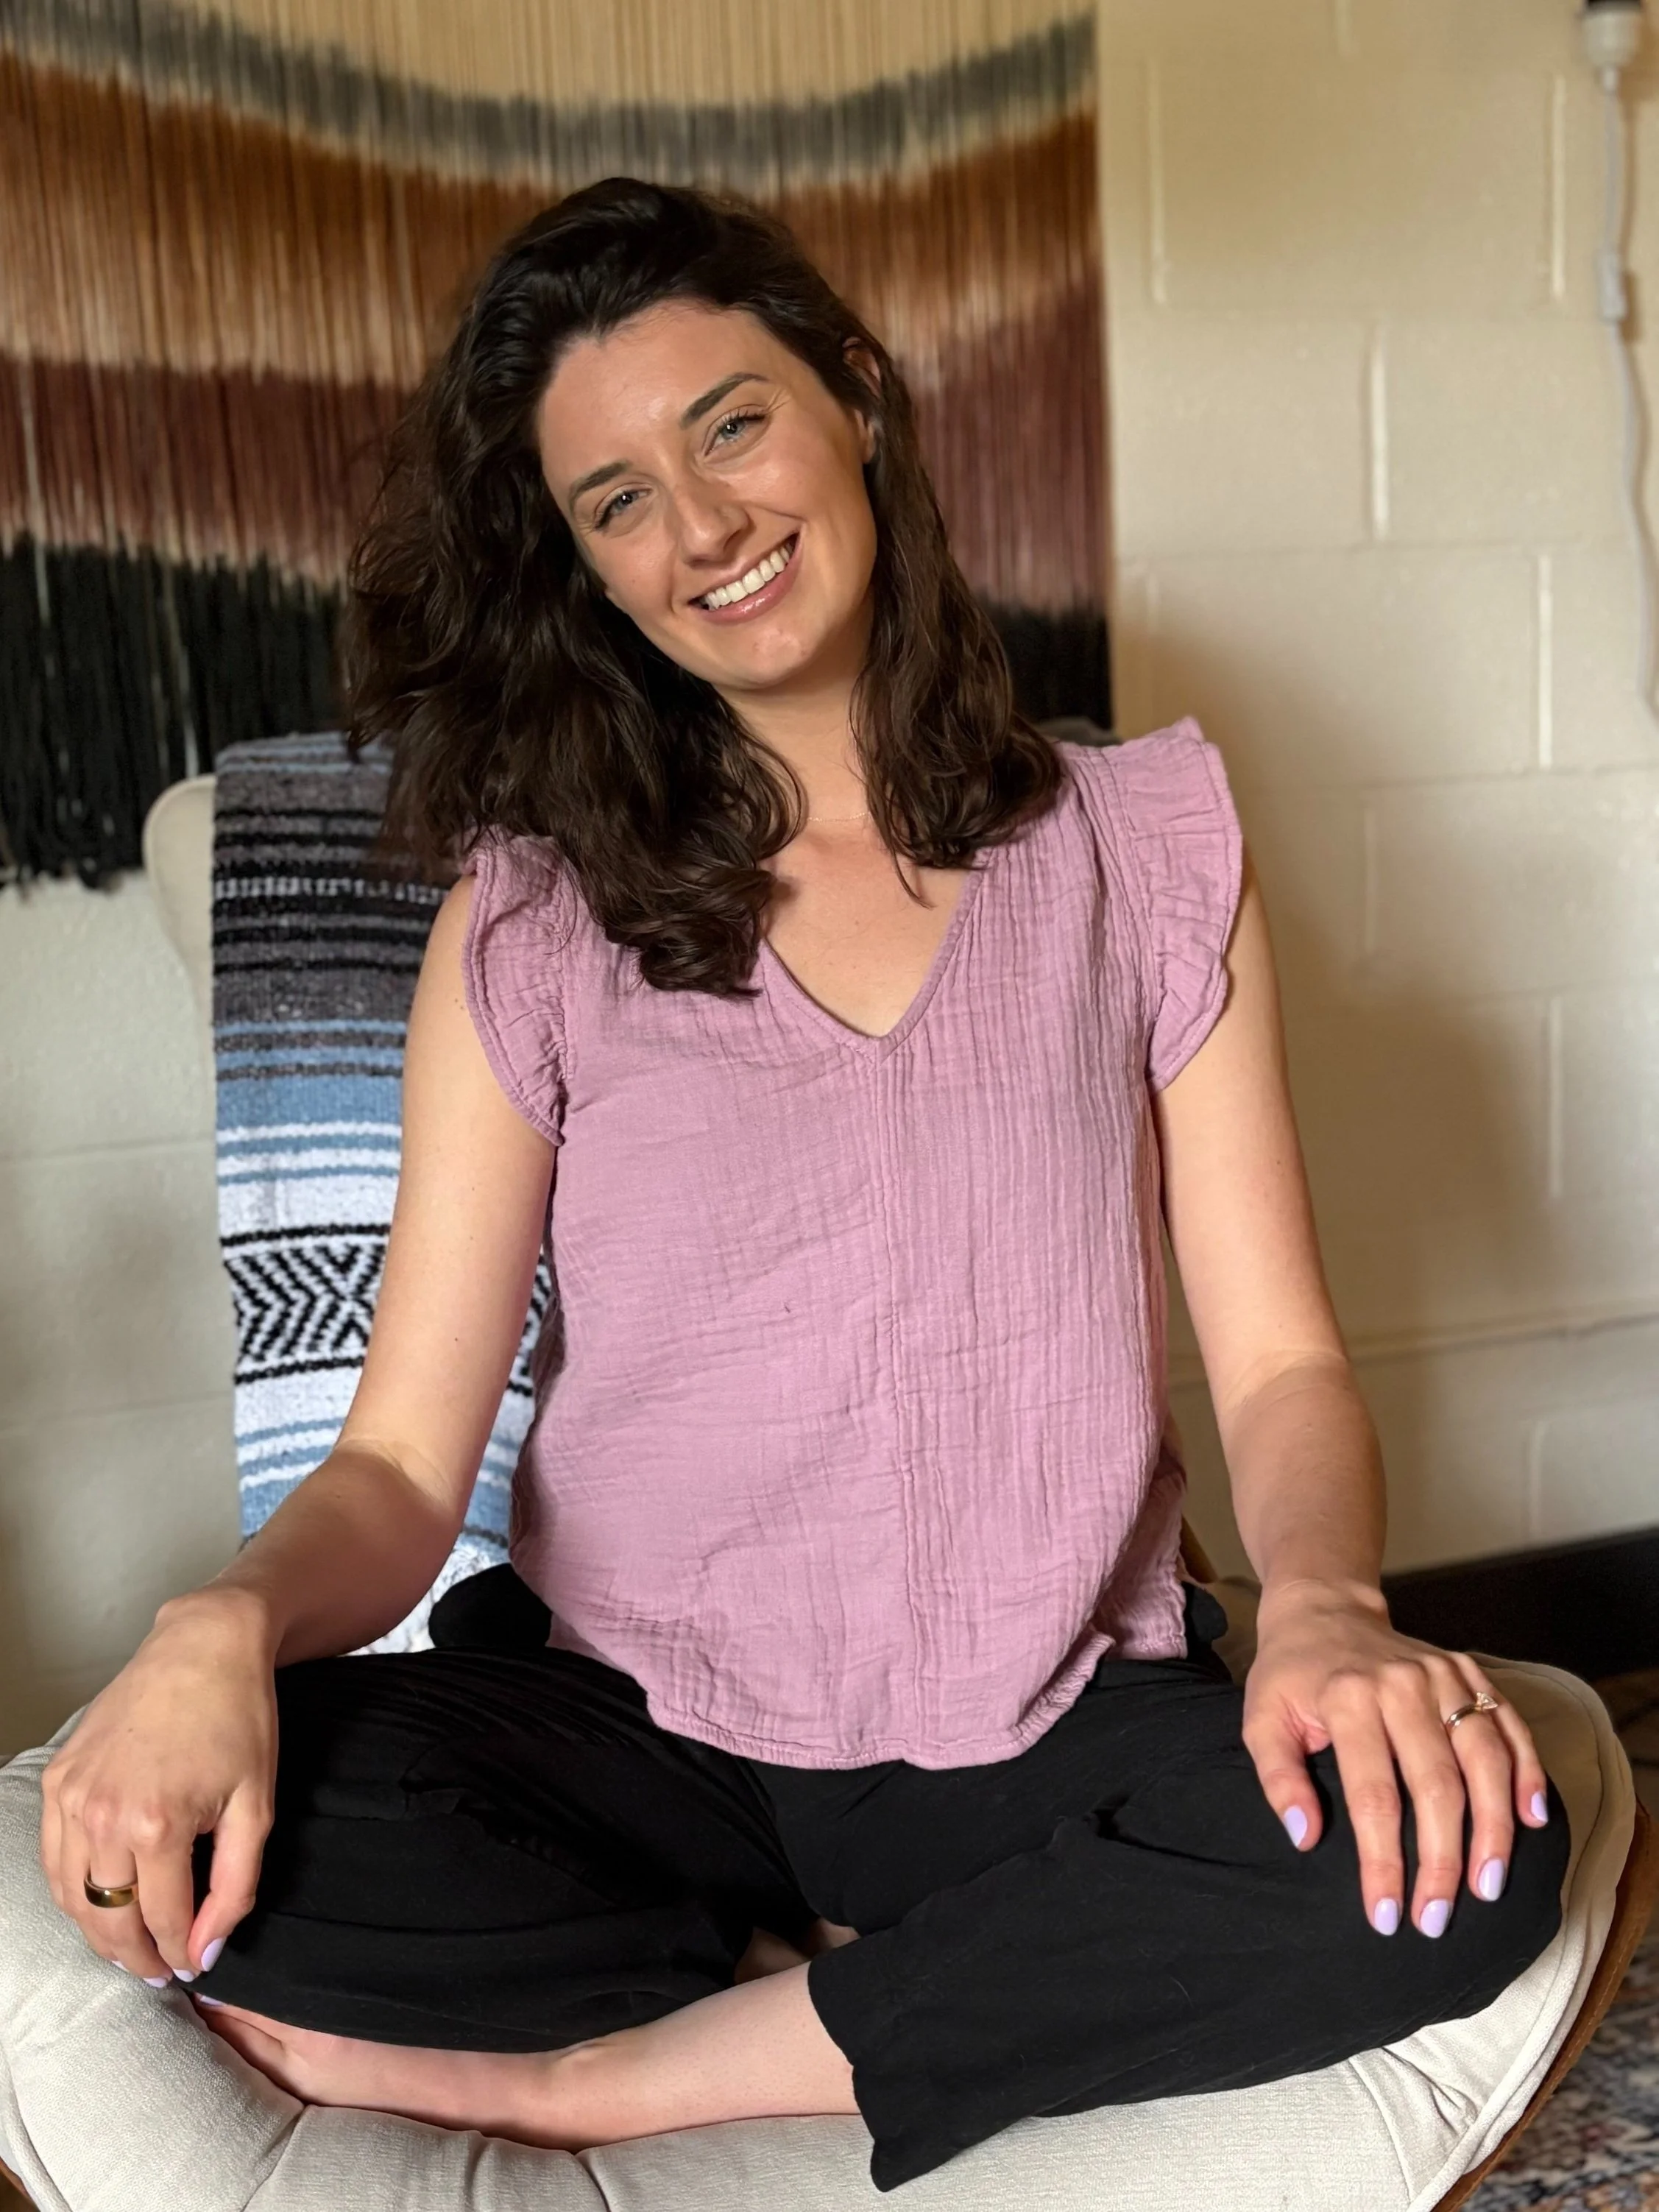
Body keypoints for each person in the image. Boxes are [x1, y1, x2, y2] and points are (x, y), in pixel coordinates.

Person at [38, 178, 1570, 2194]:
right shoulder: (529, 921)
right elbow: (402, 1465)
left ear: (853, 393)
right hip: (633, 1728)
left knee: (1471, 1857)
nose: (701, 527)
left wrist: (1326, 1615)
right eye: (617, 501)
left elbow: (1279, 1360)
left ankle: (626, 2066)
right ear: (582, 568)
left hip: (1039, 1717)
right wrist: (218, 1626)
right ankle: (897, 1978)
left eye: (732, 424)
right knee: (185, 1854)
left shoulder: (1141, 845)